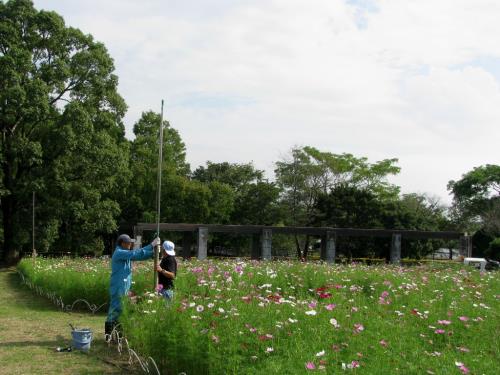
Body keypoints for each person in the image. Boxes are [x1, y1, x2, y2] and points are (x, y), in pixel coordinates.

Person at [105, 234, 161, 336]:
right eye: (129, 242)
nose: (131, 244)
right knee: (115, 309)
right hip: (118, 286)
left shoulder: (125, 253)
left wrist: (152, 253)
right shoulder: (119, 252)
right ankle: (109, 335)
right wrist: (151, 245)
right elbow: (135, 253)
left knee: (122, 310)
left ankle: (118, 335)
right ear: (122, 243)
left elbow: (139, 256)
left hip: (123, 286)